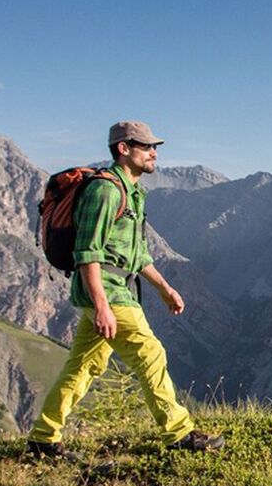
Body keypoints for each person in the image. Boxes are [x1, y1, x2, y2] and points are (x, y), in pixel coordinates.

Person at [26, 121, 224, 456]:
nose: (154, 153)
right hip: (107, 290)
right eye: (146, 146)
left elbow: (136, 255)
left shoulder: (131, 191)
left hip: (114, 288)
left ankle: (44, 438)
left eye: (154, 147)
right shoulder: (105, 191)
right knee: (150, 353)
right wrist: (101, 305)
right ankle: (179, 434)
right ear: (123, 148)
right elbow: (88, 252)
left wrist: (165, 288)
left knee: (85, 365)